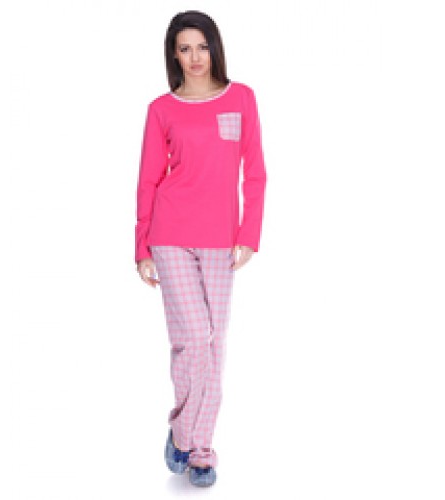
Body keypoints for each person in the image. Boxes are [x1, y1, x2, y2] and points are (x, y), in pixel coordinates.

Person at [134, 10, 267, 487]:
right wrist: (141, 246)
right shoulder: (161, 109)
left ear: (215, 47)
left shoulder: (241, 98)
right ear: (174, 54)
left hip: (221, 238)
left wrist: (249, 234)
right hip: (169, 233)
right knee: (193, 337)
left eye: (202, 46)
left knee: (215, 342)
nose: (194, 57)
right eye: (185, 48)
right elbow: (149, 178)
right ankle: (193, 442)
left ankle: (191, 439)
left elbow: (255, 172)